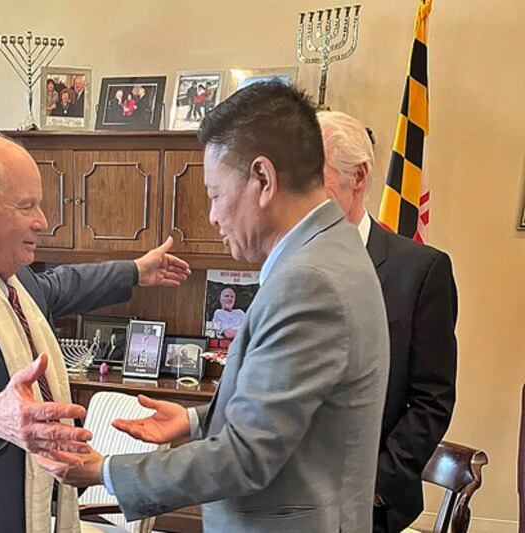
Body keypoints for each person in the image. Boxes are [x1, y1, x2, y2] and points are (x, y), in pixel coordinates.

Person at [37, 81, 390, 532]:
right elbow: (292, 412)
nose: (212, 216)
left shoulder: (309, 280)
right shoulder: (332, 250)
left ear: (263, 179)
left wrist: (105, 471)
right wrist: (192, 419)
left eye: (216, 194)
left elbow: (246, 456)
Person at [0, 134, 191, 533]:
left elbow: (61, 284)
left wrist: (134, 271)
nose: (42, 221)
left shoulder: (13, 281)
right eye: (26, 206)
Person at [318, 110, 458, 533]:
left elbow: (432, 399)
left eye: (312, 175)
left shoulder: (421, 272)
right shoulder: (286, 263)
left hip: (366, 505)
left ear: (357, 177)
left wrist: (375, 485)